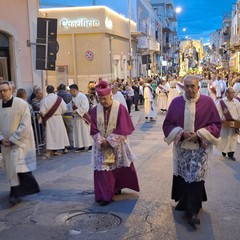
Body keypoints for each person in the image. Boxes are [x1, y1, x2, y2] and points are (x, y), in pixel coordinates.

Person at [162, 75, 221, 228]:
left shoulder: (208, 102)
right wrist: (181, 133)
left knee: (196, 178)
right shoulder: (176, 103)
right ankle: (184, 203)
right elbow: (167, 124)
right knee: (184, 177)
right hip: (182, 149)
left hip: (200, 149)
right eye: (187, 86)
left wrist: (200, 134)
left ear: (198, 86)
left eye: (193, 86)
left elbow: (216, 124)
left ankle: (193, 210)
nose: (189, 89)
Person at [90, 80, 140, 206]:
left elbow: (124, 127)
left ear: (110, 96)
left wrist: (110, 140)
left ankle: (116, 188)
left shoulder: (120, 108)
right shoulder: (96, 110)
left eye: (105, 99)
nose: (102, 102)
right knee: (105, 169)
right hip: (102, 146)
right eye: (100, 99)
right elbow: (94, 128)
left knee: (117, 168)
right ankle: (105, 196)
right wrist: (101, 141)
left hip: (117, 144)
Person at [0, 81, 40, 205]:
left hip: (20, 143)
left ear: (11, 90)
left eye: (5, 90)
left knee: (18, 168)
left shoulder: (21, 104)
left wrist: (13, 139)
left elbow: (26, 125)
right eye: (0, 91)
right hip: (5, 144)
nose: (3, 93)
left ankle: (15, 193)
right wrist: (1, 138)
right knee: (12, 169)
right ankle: (16, 192)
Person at [40, 85, 69, 156]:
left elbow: (42, 112)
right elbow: (65, 109)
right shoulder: (59, 99)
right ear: (54, 90)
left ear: (46, 91)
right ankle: (64, 148)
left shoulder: (44, 100)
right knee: (61, 133)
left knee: (51, 135)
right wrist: (60, 113)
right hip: (58, 118)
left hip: (49, 119)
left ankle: (53, 149)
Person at [216, 88, 240, 161]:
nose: (233, 94)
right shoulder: (221, 102)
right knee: (225, 137)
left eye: (233, 93)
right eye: (231, 93)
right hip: (225, 123)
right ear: (227, 93)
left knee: (234, 138)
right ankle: (223, 151)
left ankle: (231, 154)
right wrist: (222, 118)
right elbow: (217, 112)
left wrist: (239, 119)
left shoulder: (236, 102)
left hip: (235, 124)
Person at [69, 84, 92, 152]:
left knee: (85, 132)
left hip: (83, 118)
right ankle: (80, 146)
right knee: (78, 133)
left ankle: (90, 145)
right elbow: (70, 105)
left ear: (74, 90)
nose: (70, 93)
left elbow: (85, 107)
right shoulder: (73, 97)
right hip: (76, 118)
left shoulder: (82, 96)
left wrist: (77, 111)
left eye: (71, 91)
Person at [57, 84, 74, 150]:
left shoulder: (57, 96)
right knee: (70, 130)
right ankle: (71, 144)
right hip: (68, 114)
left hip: (60, 115)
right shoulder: (69, 95)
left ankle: (64, 145)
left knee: (63, 131)